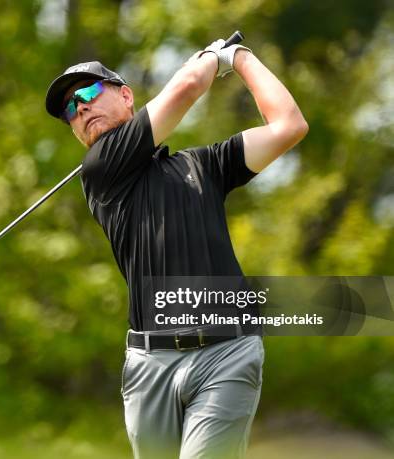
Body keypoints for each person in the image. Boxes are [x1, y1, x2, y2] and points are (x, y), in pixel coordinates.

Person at [44, 37, 308, 459]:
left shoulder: (204, 166)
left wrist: (242, 58)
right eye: (70, 110)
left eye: (89, 93)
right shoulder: (100, 169)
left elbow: (289, 126)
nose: (81, 108)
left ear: (126, 95)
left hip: (228, 353)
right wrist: (213, 57)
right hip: (150, 366)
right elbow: (186, 87)